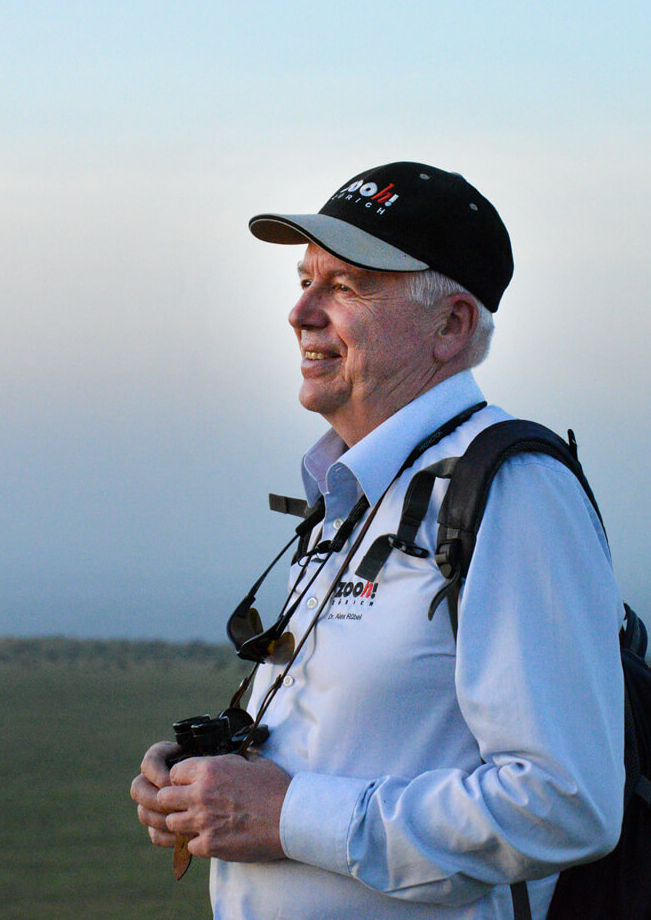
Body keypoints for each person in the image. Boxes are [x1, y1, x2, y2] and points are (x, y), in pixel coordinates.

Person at [132, 161, 625, 918]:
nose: (300, 311)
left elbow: (563, 803)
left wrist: (288, 812)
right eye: (304, 279)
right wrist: (208, 786)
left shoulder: (511, 490)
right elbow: (359, 741)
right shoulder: (359, 491)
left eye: (346, 286)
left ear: (452, 325)